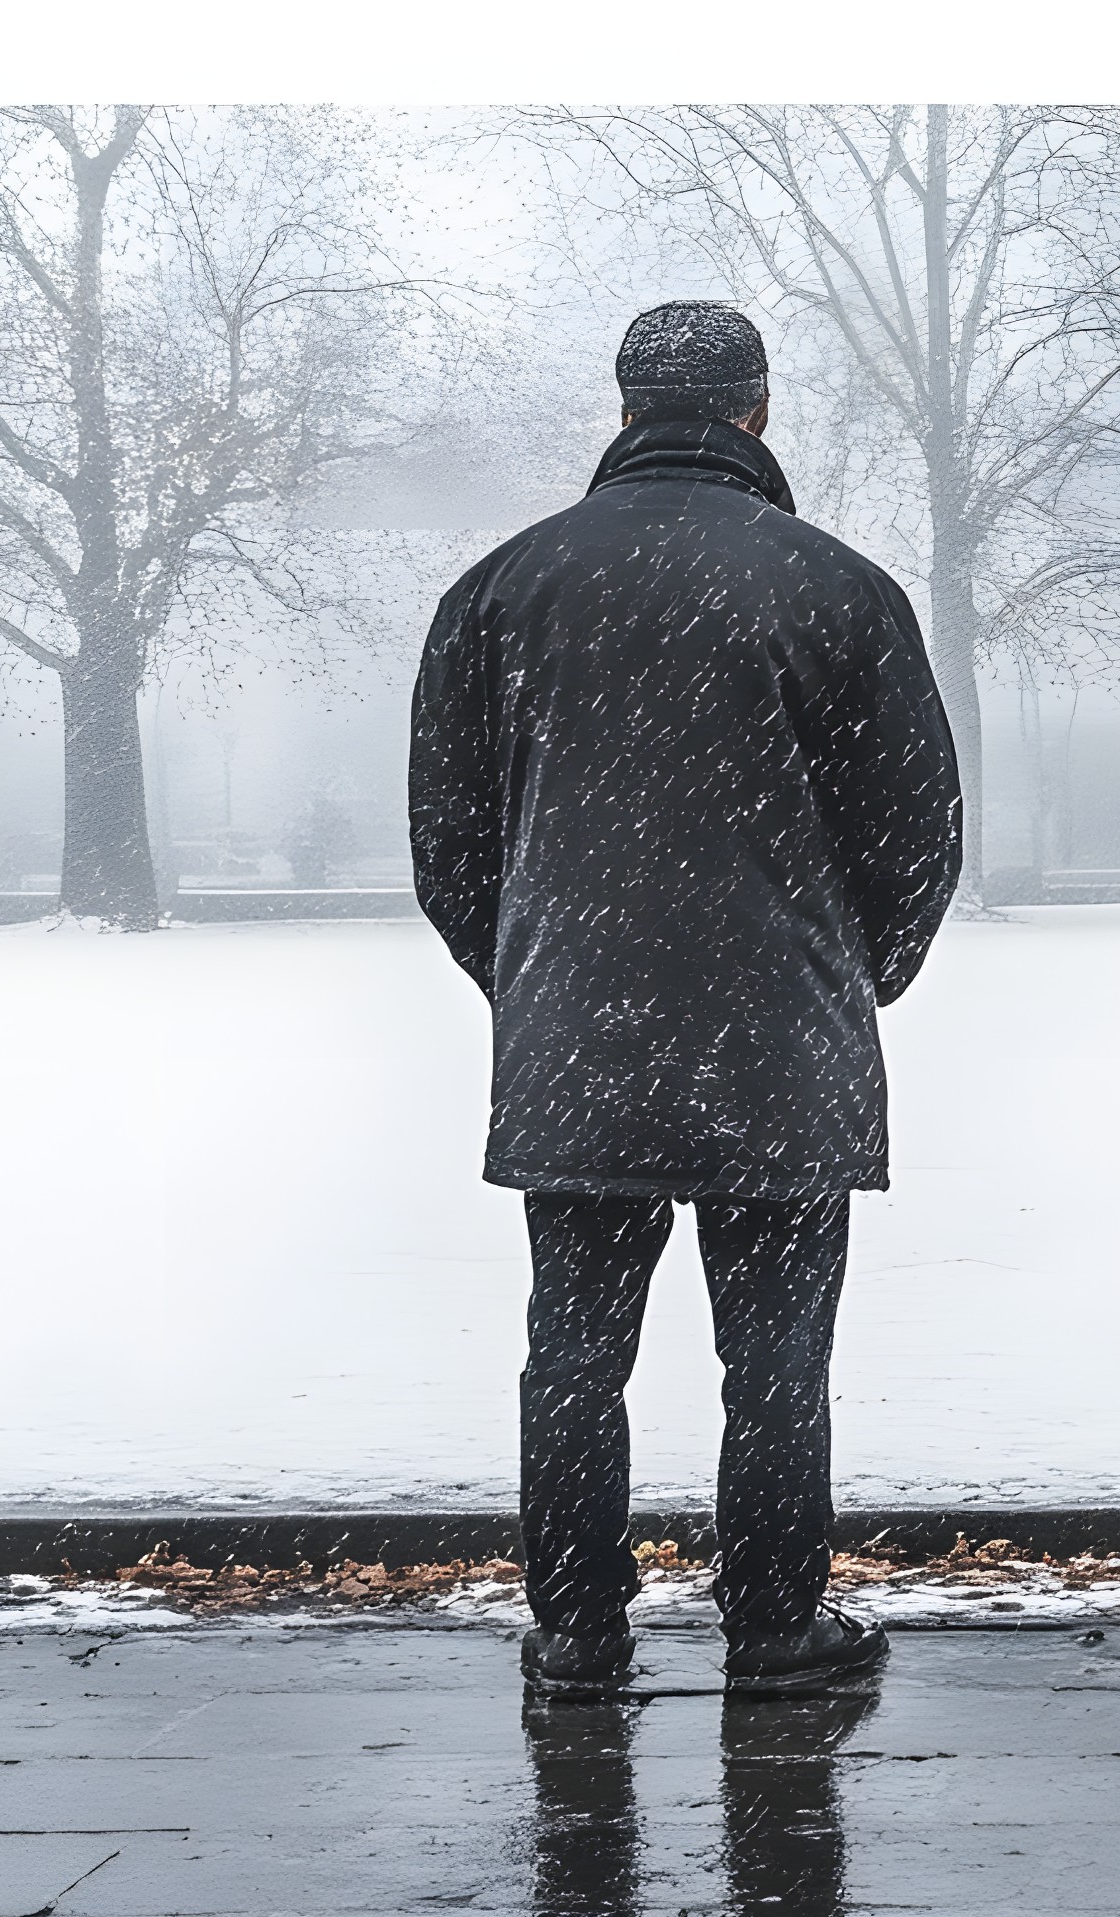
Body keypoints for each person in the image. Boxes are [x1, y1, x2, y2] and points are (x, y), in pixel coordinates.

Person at [413, 301, 962, 1699]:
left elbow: (451, 847)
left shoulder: (502, 590)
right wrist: (847, 976)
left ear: (623, 408)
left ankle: (578, 1633)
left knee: (574, 1354)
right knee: (775, 1356)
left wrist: (542, 976)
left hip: (580, 1043)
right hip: (780, 1042)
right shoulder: (840, 589)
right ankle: (775, 1627)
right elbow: (915, 837)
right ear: (757, 410)